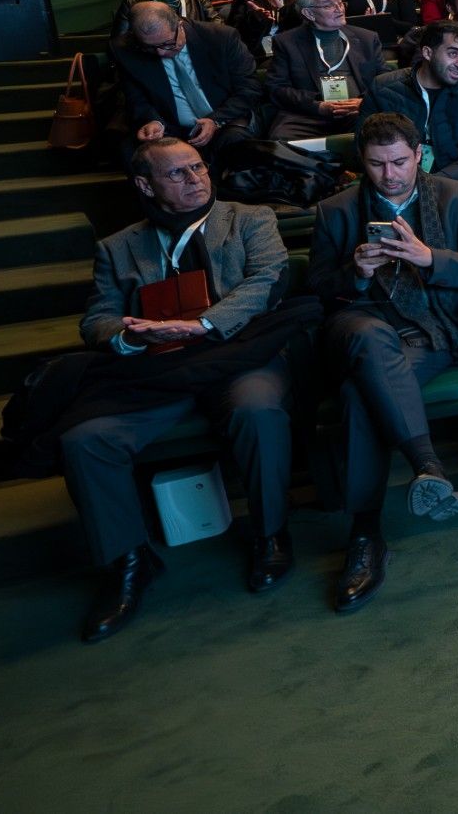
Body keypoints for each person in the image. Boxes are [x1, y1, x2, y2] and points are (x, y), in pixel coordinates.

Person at [36, 139, 302, 641]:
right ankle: (128, 563)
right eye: (177, 173)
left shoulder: (249, 219)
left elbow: (267, 282)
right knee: (85, 440)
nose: (194, 178)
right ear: (145, 185)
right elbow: (97, 318)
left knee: (258, 411)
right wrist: (129, 335)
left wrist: (202, 325)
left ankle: (271, 534)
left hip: (236, 357)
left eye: (197, 166)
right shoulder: (118, 246)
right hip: (158, 371)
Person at [308, 113, 458, 613]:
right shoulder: (336, 210)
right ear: (361, 163)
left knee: (357, 397)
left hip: (428, 331)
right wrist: (357, 272)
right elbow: (319, 289)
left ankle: (366, 535)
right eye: (376, 164)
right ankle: (428, 465)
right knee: (369, 337)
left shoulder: (456, 196)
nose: (389, 175)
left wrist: (428, 257)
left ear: (419, 155)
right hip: (360, 320)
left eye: (398, 162)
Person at [112, 2, 261, 161]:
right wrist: (153, 121)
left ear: (179, 25)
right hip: (170, 128)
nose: (160, 52)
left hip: (224, 120)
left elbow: (250, 89)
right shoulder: (125, 50)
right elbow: (136, 98)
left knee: (235, 142)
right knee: (130, 150)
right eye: (150, 47)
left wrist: (215, 120)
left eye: (167, 43)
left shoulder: (220, 38)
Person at [359, 20, 458, 191]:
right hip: (391, 177)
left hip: (457, 180)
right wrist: (401, 178)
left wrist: (432, 182)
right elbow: (363, 145)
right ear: (427, 52)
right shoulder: (384, 88)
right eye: (453, 54)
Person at [265, 0, 385, 141]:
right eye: (329, 6)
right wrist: (318, 107)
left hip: (357, 112)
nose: (340, 9)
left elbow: (385, 79)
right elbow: (276, 88)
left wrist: (364, 102)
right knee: (280, 138)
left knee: (378, 131)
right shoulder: (287, 42)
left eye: (340, 2)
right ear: (309, 13)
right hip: (309, 116)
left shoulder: (367, 38)